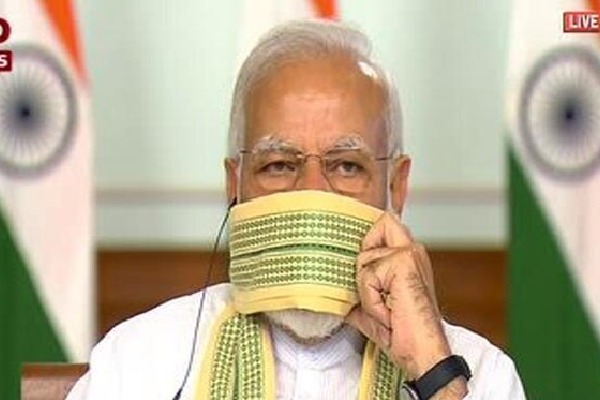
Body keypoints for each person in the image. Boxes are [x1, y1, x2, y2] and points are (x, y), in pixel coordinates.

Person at [68, 20, 526, 400]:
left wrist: (434, 374)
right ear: (235, 185)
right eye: (279, 165)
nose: (311, 194)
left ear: (396, 186)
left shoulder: (479, 374)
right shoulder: (140, 361)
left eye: (347, 166)